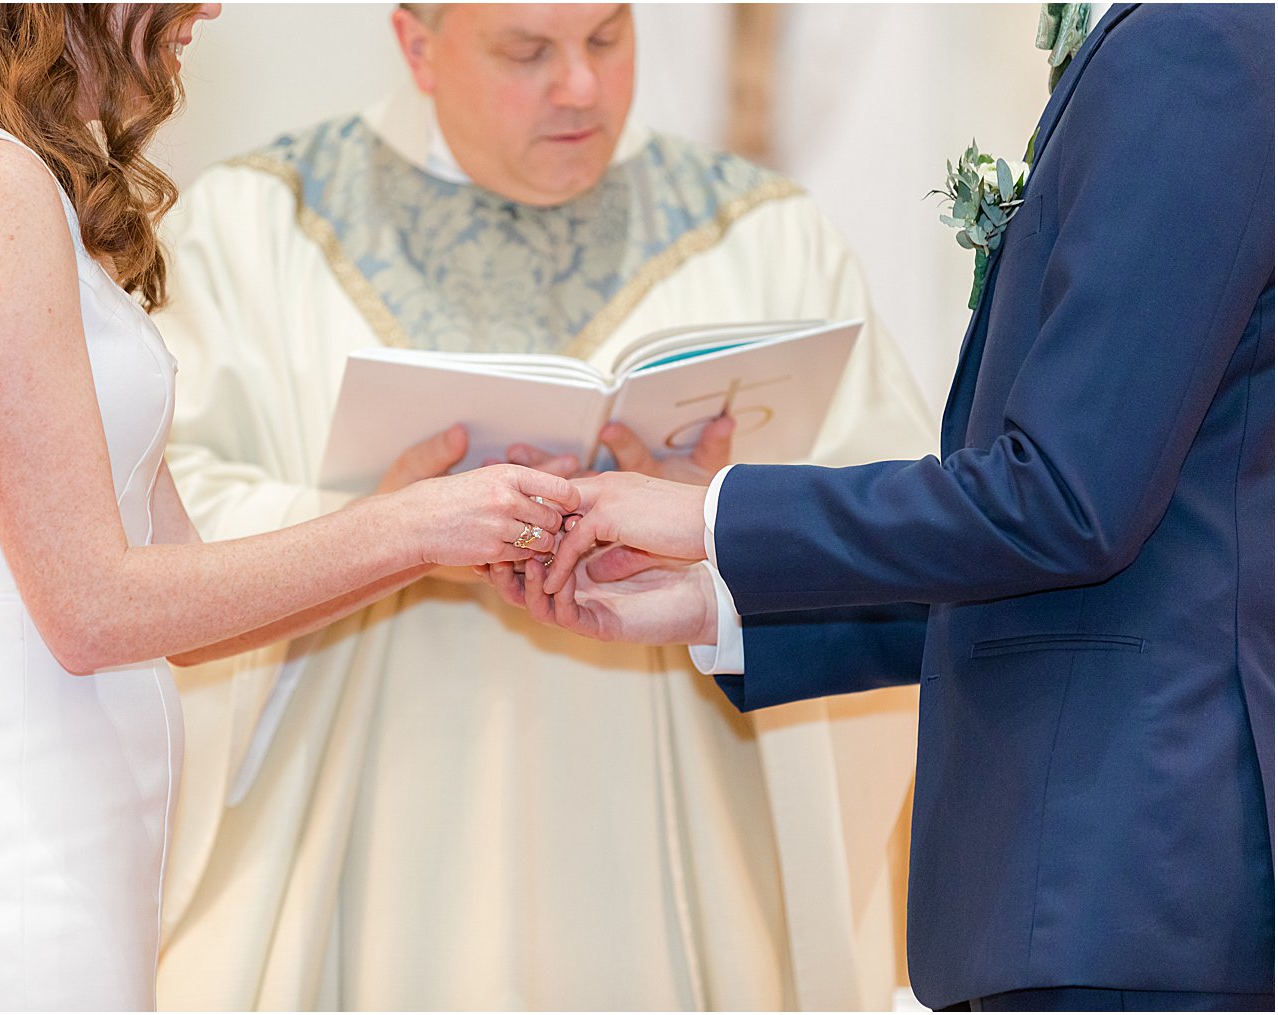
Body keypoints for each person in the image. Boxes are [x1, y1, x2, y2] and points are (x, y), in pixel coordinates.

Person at [0, 5, 578, 1010]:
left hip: (64, 825)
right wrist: (407, 529)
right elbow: (90, 607)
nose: (209, 8)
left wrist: (403, 524)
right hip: (15, 841)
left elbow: (175, 599)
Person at [152, 3, 935, 1009]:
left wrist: (719, 522)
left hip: (674, 851)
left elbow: (906, 542)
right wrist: (376, 528)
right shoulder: (251, 228)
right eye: (527, 52)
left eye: (607, 38)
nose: (579, 86)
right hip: (375, 845)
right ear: (416, 45)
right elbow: (152, 537)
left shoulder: (763, 234)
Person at [499, 3, 1275, 1011]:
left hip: (1116, 872)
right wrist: (709, 600)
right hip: (1093, 883)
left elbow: (1065, 503)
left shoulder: (1194, 40)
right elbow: (1107, 525)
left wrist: (711, 517)